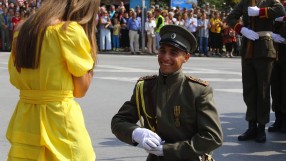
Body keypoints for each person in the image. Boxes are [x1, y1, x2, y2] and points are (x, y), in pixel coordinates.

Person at [111, 25, 223, 161]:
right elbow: (118, 121)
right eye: (162, 50)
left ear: (186, 57)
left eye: (174, 53)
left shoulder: (197, 90)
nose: (165, 57)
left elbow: (212, 137)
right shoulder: (145, 87)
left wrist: (167, 150)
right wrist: (136, 133)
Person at [6, 0, 99, 160]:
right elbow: (80, 90)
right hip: (60, 121)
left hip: (26, 119)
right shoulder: (68, 31)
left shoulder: (22, 30)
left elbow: (15, 78)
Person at [226, 0, 285, 142]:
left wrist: (260, 12)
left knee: (263, 90)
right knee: (249, 89)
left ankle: (261, 127)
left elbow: (281, 11)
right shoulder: (245, 2)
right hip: (248, 47)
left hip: (265, 48)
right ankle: (251, 125)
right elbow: (230, 18)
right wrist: (242, 29)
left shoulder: (271, 1)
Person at [268, 2, 286, 133]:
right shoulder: (273, 5)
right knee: (275, 87)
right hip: (274, 52)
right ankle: (278, 117)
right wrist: (271, 34)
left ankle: (284, 118)